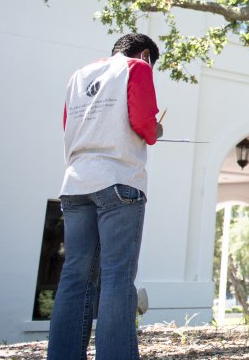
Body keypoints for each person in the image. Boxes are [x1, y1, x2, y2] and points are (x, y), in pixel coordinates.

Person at [48, 33, 163, 360]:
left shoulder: (78, 75)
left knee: (74, 277)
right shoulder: (137, 68)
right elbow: (143, 123)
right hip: (118, 179)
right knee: (115, 277)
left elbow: (69, 125)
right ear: (144, 55)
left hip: (76, 183)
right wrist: (156, 130)